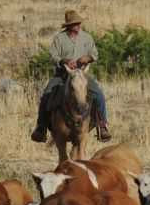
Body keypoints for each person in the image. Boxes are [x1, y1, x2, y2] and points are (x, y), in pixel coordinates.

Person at [31, 10, 112, 143]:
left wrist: (88, 57)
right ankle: (41, 127)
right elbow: (53, 57)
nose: (79, 25)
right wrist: (65, 61)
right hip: (62, 74)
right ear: (68, 25)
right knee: (46, 96)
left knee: (99, 96)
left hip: (82, 75)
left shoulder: (87, 37)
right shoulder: (59, 38)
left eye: (79, 23)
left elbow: (95, 54)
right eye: (75, 23)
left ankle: (102, 126)